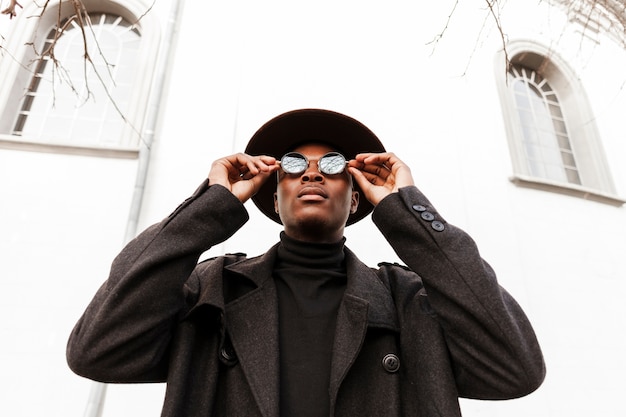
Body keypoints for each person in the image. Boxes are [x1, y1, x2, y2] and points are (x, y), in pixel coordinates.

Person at [67, 109, 545, 417]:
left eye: (335, 164)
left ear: (357, 197)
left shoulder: (409, 300)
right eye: (292, 164)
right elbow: (97, 349)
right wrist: (209, 207)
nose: (313, 171)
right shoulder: (210, 291)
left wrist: (408, 211)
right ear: (273, 194)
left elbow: (515, 369)